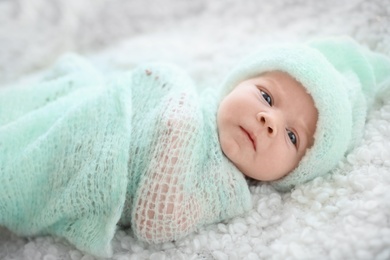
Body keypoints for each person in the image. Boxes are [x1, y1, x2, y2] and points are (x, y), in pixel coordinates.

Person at [0, 36, 389, 257]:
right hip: (97, 115)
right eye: (267, 98)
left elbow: (158, 220)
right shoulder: (198, 99)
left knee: (19, 164)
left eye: (292, 137)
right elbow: (142, 89)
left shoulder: (227, 187)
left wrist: (178, 125)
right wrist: (171, 91)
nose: (270, 121)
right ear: (237, 83)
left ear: (296, 172)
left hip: (84, 165)